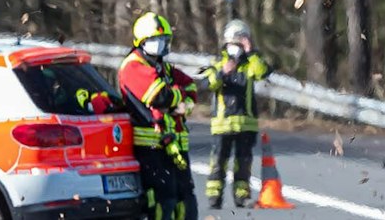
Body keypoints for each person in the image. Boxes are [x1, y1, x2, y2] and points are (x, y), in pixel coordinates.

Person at [116, 12, 199, 220]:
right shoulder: (134, 66)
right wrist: (178, 96)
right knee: (164, 201)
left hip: (175, 144)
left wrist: (183, 103)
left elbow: (190, 86)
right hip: (151, 147)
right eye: (156, 41)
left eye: (164, 40)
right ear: (142, 42)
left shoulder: (162, 67)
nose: (161, 45)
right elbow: (161, 96)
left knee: (186, 199)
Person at [205, 19, 271, 208]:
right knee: (218, 161)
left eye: (240, 44)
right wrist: (222, 74)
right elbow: (208, 83)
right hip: (222, 124)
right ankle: (214, 196)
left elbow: (262, 72)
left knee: (243, 162)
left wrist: (251, 52)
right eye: (234, 44)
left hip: (246, 123)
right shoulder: (217, 63)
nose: (237, 48)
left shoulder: (250, 64)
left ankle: (241, 195)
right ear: (226, 43)